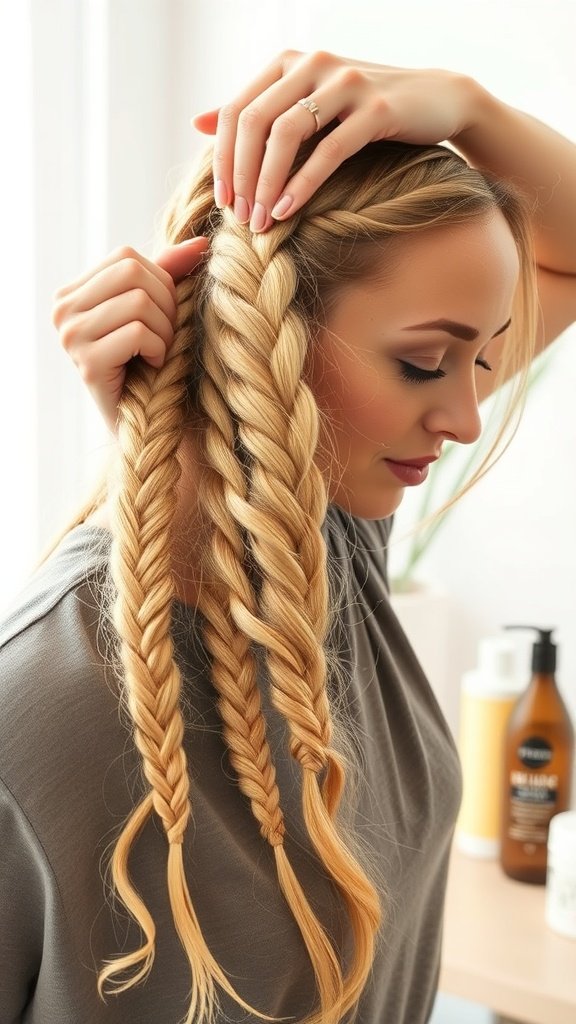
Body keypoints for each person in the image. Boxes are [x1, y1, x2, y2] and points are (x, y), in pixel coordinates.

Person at [1, 49, 575, 1024]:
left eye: (484, 356)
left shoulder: (325, 550)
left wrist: (463, 102)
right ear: (257, 340)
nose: (470, 414)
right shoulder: (39, 707)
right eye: (427, 361)